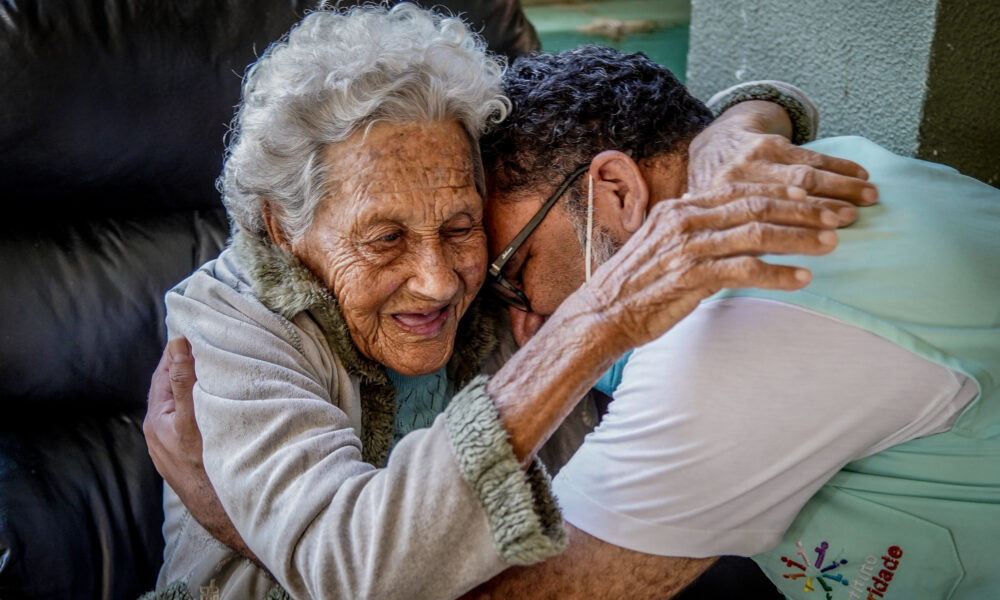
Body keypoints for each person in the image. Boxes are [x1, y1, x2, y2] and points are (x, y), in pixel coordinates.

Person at [140, 6, 867, 600]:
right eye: (385, 239)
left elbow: (646, 144)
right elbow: (355, 571)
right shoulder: (230, 324)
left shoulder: (502, 262)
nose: (441, 280)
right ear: (282, 225)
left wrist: (746, 119)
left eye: (459, 227)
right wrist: (597, 320)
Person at [452, 46, 999, 599]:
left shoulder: (734, 334)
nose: (523, 320)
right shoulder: (808, 165)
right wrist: (750, 110)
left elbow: (546, 590)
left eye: (513, 270)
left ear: (617, 189)